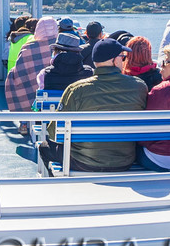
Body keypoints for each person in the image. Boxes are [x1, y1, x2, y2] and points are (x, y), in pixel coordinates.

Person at [40, 39, 148, 172]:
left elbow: (53, 132)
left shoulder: (76, 89)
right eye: (122, 57)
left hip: (82, 161)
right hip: (124, 161)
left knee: (44, 147)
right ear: (114, 60)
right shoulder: (139, 86)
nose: (124, 61)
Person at [5, 17, 58, 114]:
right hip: (59, 99)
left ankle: (24, 123)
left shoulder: (28, 47)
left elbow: (19, 72)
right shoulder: (62, 46)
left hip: (34, 96)